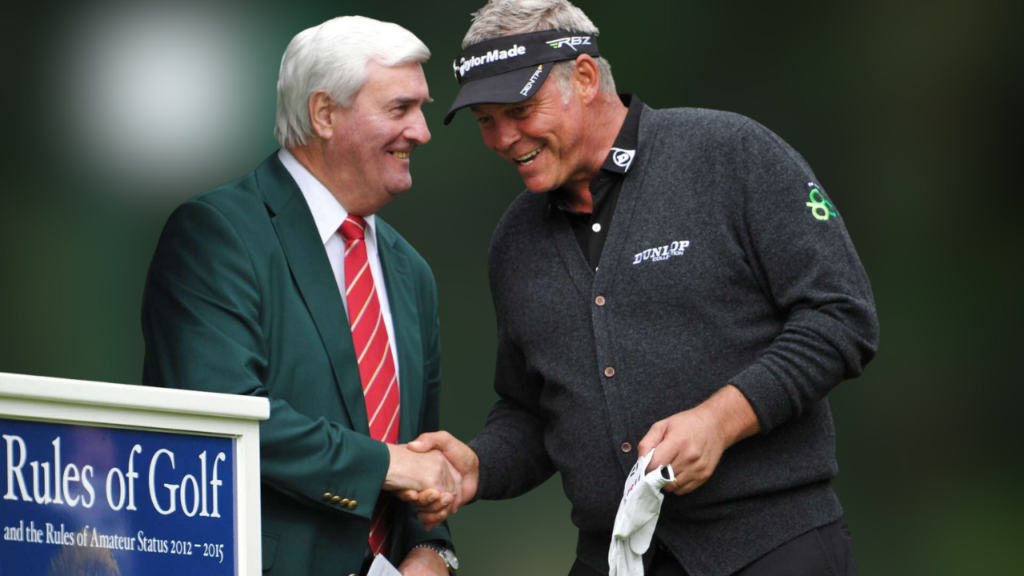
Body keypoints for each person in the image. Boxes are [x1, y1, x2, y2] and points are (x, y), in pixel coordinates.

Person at [403, 1, 879, 575]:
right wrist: (477, 467)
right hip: (612, 558)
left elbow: (841, 316)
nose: (504, 138)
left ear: (583, 78)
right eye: (485, 119)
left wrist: (719, 420)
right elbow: (531, 411)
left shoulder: (731, 154)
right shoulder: (515, 240)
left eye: (520, 110)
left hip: (773, 547)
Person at [142, 16, 460, 576]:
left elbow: (420, 461)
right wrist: (385, 465)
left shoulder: (412, 273)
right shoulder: (218, 234)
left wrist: (432, 552)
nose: (422, 131)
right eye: (399, 108)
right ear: (324, 113)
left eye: (422, 108)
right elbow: (220, 418)